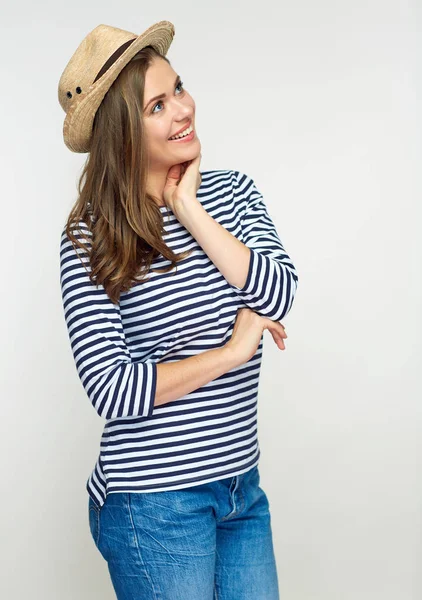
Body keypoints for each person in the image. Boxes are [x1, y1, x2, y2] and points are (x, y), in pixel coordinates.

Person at [57, 20, 299, 600]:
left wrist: (187, 209)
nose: (183, 110)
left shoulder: (232, 193)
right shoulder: (90, 237)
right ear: (123, 135)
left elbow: (280, 292)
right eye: (157, 105)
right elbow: (113, 388)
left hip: (241, 489)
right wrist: (232, 352)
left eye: (179, 88)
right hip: (154, 505)